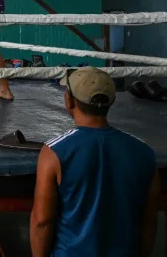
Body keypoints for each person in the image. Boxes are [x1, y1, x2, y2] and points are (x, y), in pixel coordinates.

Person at [30, 67, 160, 257]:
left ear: (69, 100)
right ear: (112, 101)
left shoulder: (55, 152)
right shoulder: (144, 152)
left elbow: (42, 221)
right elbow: (149, 221)